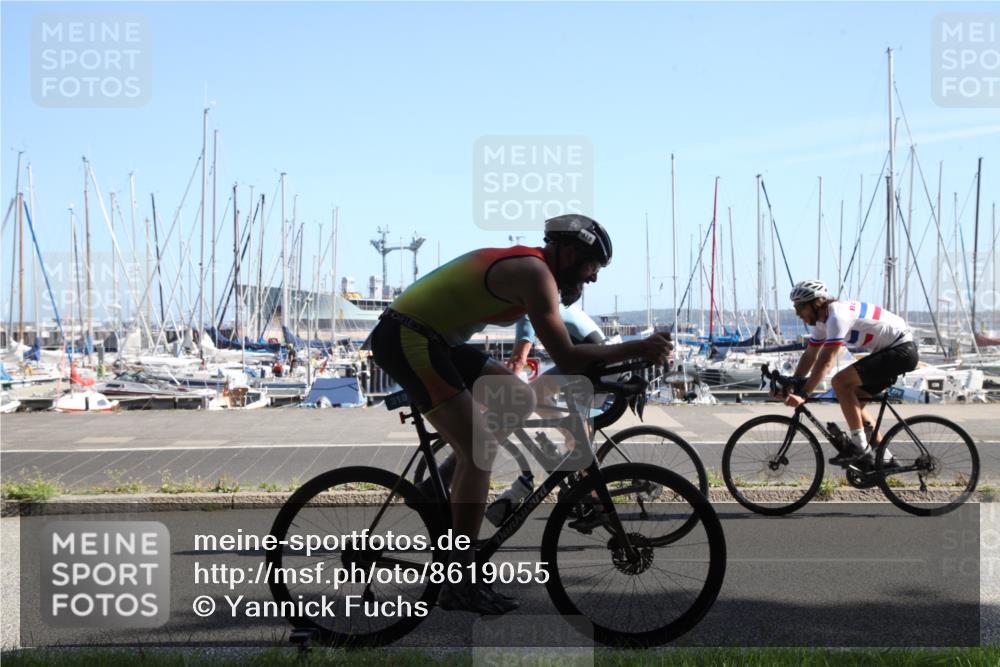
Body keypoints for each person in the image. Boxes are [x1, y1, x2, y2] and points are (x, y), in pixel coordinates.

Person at [368, 214, 672, 614]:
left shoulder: (536, 271)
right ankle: (459, 582)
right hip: (408, 336)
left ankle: (434, 487)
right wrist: (638, 347)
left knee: (519, 398)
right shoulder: (535, 273)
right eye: (591, 266)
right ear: (568, 254)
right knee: (479, 451)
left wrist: (628, 360)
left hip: (435, 340)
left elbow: (570, 357)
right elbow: (567, 357)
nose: (593, 278)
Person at [783, 280, 918, 465]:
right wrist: (795, 381)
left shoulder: (837, 316)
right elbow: (810, 354)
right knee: (854, 403)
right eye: (795, 307)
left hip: (902, 351)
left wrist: (804, 394)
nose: (798, 313)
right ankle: (885, 459)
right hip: (890, 352)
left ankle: (860, 448)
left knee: (840, 382)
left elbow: (826, 361)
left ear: (816, 303)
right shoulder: (823, 322)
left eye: (800, 307)